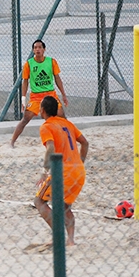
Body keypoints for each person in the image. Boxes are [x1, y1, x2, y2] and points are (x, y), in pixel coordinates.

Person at [34, 95, 89, 247]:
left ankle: (57, 235)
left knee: (39, 201)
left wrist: (44, 171)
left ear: (43, 110)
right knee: (65, 207)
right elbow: (85, 143)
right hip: (78, 172)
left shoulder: (46, 126)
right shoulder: (67, 123)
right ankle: (71, 241)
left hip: (63, 172)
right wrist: (80, 162)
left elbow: (50, 147)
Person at [10, 39, 69, 147]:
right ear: (33, 50)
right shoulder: (29, 64)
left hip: (50, 95)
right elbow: (25, 81)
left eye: (40, 47)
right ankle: (12, 142)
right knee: (25, 119)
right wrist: (23, 98)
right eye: (35, 48)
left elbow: (57, 78)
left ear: (44, 49)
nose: (37, 49)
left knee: (62, 117)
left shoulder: (51, 62)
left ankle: (70, 139)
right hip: (36, 97)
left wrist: (63, 94)